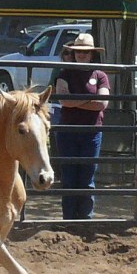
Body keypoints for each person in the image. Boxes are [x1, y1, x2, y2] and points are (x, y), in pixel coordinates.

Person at [54, 33, 110, 219]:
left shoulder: (100, 75)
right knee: (69, 177)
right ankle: (69, 217)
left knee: (87, 177)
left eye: (85, 52)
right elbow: (63, 100)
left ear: (92, 54)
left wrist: (74, 100)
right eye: (78, 52)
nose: (82, 55)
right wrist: (89, 101)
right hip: (68, 131)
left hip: (91, 131)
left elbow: (102, 103)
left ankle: (85, 218)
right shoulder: (64, 73)